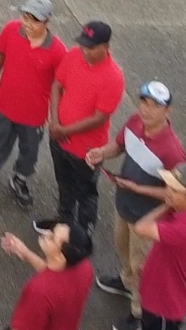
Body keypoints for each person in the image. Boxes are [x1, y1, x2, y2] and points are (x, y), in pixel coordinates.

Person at [88, 80, 186, 324]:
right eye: (144, 101)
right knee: (123, 249)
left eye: (155, 105)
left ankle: (139, 312)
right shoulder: (134, 122)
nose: (146, 109)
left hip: (146, 218)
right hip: (124, 206)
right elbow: (119, 145)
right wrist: (102, 151)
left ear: (167, 111)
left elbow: (176, 194)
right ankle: (126, 282)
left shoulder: (172, 151)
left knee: (142, 265)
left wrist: (137, 188)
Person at [0, 0, 64, 206]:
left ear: (46, 22)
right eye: (25, 17)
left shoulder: (58, 51)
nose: (27, 23)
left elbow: (59, 85)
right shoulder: (10, 29)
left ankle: (20, 178)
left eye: (34, 20)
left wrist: (56, 116)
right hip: (4, 104)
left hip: (33, 113)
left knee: (30, 150)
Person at [45, 21, 123, 238]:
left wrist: (65, 131)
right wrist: (55, 122)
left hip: (87, 150)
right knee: (63, 183)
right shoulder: (73, 55)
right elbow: (57, 85)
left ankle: (83, 232)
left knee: (86, 191)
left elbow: (99, 117)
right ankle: (64, 220)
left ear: (105, 47)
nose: (84, 50)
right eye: (83, 44)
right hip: (58, 139)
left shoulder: (113, 77)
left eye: (91, 46)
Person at [132, 163, 186, 330]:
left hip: (164, 306)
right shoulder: (182, 210)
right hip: (154, 292)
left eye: (174, 190)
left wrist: (167, 204)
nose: (168, 191)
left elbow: (141, 228)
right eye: (168, 186)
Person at [1, 219, 95, 330]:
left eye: (51, 237)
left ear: (61, 257)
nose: (45, 233)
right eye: (52, 229)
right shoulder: (85, 268)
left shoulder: (38, 291)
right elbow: (55, 276)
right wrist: (25, 252)